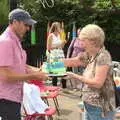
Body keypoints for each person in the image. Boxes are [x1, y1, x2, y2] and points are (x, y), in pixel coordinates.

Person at [0, 8, 48, 120]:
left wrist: (36, 70)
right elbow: (5, 75)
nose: (28, 28)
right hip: (6, 98)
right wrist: (33, 76)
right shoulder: (6, 42)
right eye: (26, 24)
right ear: (15, 22)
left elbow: (18, 64)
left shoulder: (15, 40)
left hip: (13, 96)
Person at [64, 24, 116, 120]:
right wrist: (53, 63)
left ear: (93, 41)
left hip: (100, 108)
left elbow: (97, 83)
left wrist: (75, 76)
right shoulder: (90, 54)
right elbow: (74, 61)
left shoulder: (103, 56)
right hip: (89, 105)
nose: (81, 44)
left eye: (83, 40)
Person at [47, 21, 67, 88]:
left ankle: (64, 87)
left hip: (60, 54)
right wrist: (58, 45)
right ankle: (54, 87)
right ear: (55, 28)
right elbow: (49, 48)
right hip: (54, 55)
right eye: (59, 27)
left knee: (63, 71)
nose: (60, 28)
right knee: (55, 72)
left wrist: (63, 43)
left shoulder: (60, 35)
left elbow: (62, 47)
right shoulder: (51, 36)